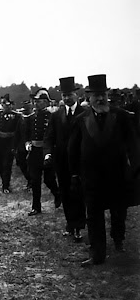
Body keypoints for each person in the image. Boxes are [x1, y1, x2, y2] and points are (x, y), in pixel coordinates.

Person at [69, 74, 140, 266]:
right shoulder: (81, 120)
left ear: (107, 95)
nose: (100, 99)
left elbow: (133, 144)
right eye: (96, 95)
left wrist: (135, 168)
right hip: (91, 178)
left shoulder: (121, 116)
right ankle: (97, 254)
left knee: (119, 211)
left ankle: (118, 240)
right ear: (88, 97)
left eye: (103, 94)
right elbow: (73, 149)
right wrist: (74, 174)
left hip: (117, 175)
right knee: (93, 215)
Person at [44, 77, 86, 242]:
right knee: (66, 193)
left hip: (81, 161)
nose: (67, 98)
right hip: (62, 162)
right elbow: (49, 137)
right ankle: (70, 224)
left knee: (79, 194)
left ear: (76, 94)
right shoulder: (57, 115)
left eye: (69, 95)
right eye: (64, 95)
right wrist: (48, 154)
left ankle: (79, 227)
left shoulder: (85, 113)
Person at [24, 88, 60, 216]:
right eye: (35, 101)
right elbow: (27, 133)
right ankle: (36, 207)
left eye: (39, 101)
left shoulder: (52, 117)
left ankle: (57, 194)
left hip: (47, 152)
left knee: (49, 179)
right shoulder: (31, 117)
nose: (36, 104)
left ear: (45, 102)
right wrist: (27, 143)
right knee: (35, 180)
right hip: (34, 152)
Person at [0, 94, 21, 193]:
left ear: (12, 105)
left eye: (8, 105)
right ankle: (4, 180)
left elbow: (18, 132)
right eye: (4, 104)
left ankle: (5, 186)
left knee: (7, 164)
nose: (6, 107)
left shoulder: (16, 116)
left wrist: (16, 145)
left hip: (10, 142)